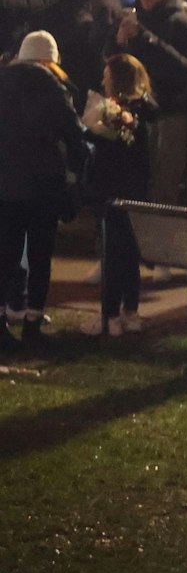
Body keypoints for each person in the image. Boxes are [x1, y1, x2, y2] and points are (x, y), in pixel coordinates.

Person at [0, 31, 86, 349]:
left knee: (5, 255)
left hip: (6, 185)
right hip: (43, 185)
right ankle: (33, 323)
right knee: (40, 257)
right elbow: (73, 134)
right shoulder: (52, 86)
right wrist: (77, 172)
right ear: (51, 59)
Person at [82, 53, 161, 338]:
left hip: (113, 191)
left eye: (107, 75)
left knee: (113, 255)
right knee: (129, 255)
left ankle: (110, 316)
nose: (103, 80)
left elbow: (106, 151)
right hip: (137, 191)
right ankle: (131, 312)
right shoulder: (148, 110)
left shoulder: (118, 113)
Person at [115, 0, 187, 208]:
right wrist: (118, 41)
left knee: (164, 186)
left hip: (170, 113)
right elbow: (112, 64)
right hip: (136, 114)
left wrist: (147, 39)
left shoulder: (184, 22)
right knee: (135, 184)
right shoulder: (133, 18)